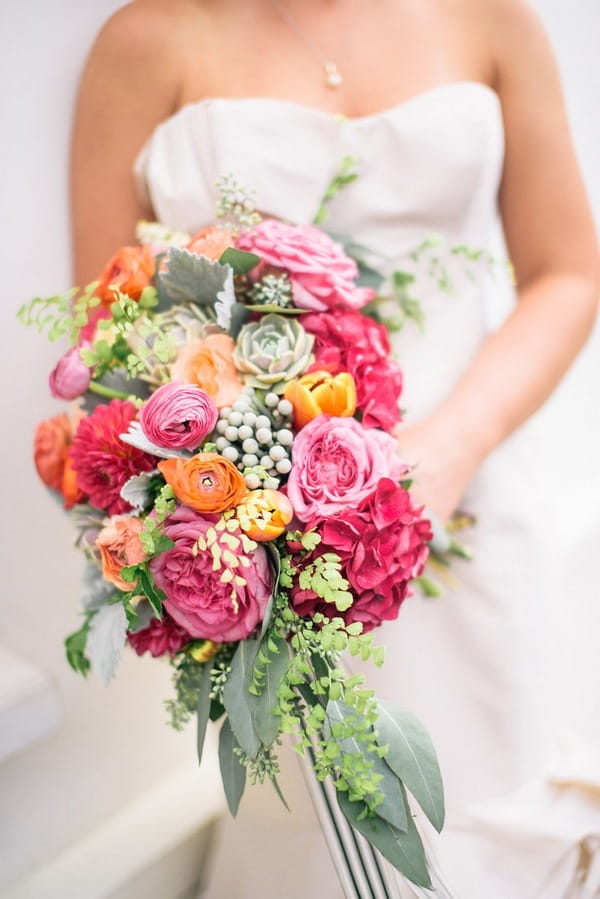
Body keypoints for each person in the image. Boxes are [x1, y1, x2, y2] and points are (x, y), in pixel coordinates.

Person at [71, 1, 600, 896]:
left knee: (515, 797)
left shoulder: (493, 18)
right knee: (338, 847)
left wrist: (457, 441)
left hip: (487, 496)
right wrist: (215, 504)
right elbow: (105, 340)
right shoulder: (148, 40)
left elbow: (569, 270)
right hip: (275, 546)